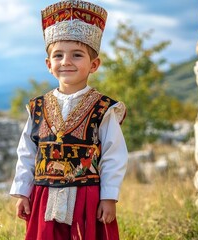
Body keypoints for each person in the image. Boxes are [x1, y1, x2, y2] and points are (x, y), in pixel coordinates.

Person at [10, 1, 128, 239]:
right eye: (58, 55)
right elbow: (26, 151)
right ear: (48, 64)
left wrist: (109, 197)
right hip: (43, 195)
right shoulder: (37, 107)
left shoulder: (103, 108)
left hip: (87, 196)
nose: (66, 61)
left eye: (77, 55)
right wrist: (23, 192)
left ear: (93, 64)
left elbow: (114, 155)